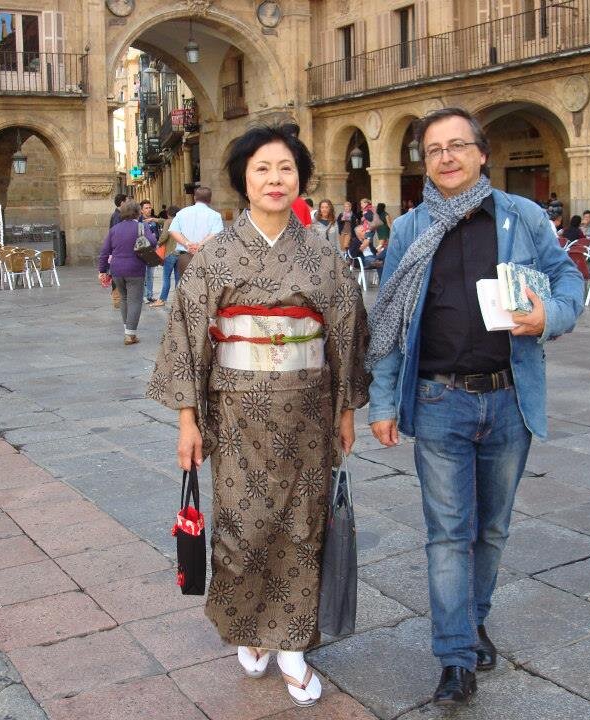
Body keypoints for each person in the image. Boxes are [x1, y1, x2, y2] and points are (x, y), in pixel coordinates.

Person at [146, 123, 370, 708]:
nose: (275, 179)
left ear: (300, 178)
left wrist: (346, 406)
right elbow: (187, 338)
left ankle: (293, 647)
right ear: (243, 180)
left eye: (286, 169)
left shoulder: (323, 254)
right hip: (237, 415)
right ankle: (250, 629)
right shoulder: (215, 256)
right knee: (242, 531)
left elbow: (346, 333)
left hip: (309, 415)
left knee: (302, 530)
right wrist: (188, 422)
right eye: (262, 169)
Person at [366, 107, 583, 707]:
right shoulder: (410, 229)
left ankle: (473, 620)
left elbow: (569, 283)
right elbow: (389, 321)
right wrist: (382, 401)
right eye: (434, 149)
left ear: (482, 153)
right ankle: (455, 657)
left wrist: (549, 317)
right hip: (438, 399)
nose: (446, 157)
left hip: (509, 398)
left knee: (491, 527)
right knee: (447, 533)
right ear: (424, 162)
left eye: (457, 145)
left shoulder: (523, 217)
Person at [97, 199, 156, 345]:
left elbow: (104, 252)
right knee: (135, 300)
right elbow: (153, 242)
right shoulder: (142, 227)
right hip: (135, 268)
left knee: (124, 299)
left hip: (116, 269)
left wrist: (102, 270)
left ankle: (127, 330)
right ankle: (130, 335)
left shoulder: (114, 230)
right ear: (138, 212)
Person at [168, 186, 224, 281]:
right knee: (204, 287)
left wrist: (188, 244)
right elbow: (216, 233)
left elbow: (173, 230)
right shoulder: (215, 215)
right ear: (210, 199)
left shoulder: (182, 213)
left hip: (185, 256)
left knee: (185, 287)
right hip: (206, 257)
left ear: (195, 198)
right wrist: (199, 245)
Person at [154, 204, 182, 307]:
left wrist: (158, 243)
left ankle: (162, 299)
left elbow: (164, 236)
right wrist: (155, 219)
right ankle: (178, 301)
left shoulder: (168, 221)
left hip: (170, 253)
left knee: (166, 277)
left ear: (167, 213)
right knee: (178, 278)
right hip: (180, 253)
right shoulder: (180, 221)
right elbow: (164, 221)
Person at [139, 200, 161, 304]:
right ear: (141, 210)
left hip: (153, 250)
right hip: (143, 250)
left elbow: (157, 234)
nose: (149, 209)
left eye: (150, 207)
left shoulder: (153, 220)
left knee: (150, 274)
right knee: (143, 274)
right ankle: (143, 295)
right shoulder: (139, 221)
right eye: (146, 208)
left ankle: (150, 295)